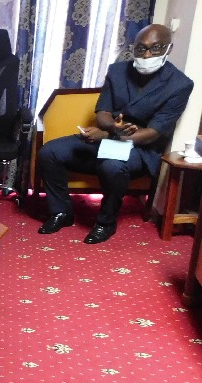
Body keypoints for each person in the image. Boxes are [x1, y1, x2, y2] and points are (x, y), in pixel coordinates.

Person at [37, 23, 193, 244]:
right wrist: (111, 128)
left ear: (169, 48)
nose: (147, 55)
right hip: (107, 135)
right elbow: (102, 113)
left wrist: (110, 135)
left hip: (140, 150)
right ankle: (61, 212)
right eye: (141, 48)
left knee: (112, 165)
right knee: (50, 152)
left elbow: (152, 133)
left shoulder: (180, 85)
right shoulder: (117, 71)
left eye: (155, 48)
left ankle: (105, 223)